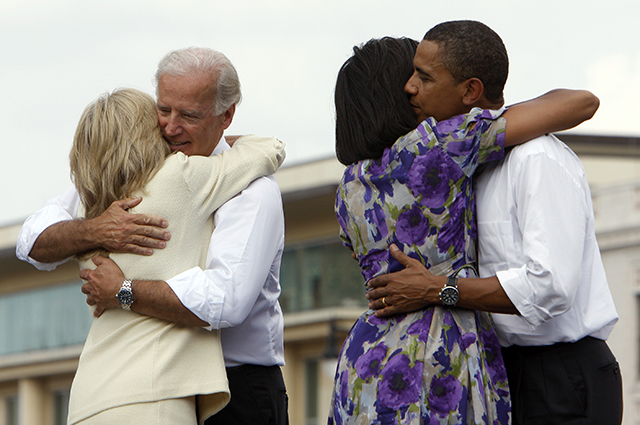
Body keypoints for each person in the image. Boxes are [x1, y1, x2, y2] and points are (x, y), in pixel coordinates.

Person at [329, 30, 599, 425]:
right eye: (412, 77)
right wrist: (485, 116)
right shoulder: (441, 144)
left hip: (366, 356)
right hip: (440, 349)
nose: (413, 87)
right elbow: (579, 103)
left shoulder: (348, 188)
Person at [16, 47, 289, 425]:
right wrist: (97, 229)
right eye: (163, 110)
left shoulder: (252, 191)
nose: (171, 127)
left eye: (189, 115)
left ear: (226, 115)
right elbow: (31, 242)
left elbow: (227, 301)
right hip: (161, 390)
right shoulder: (128, 181)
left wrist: (123, 290)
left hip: (236, 387)